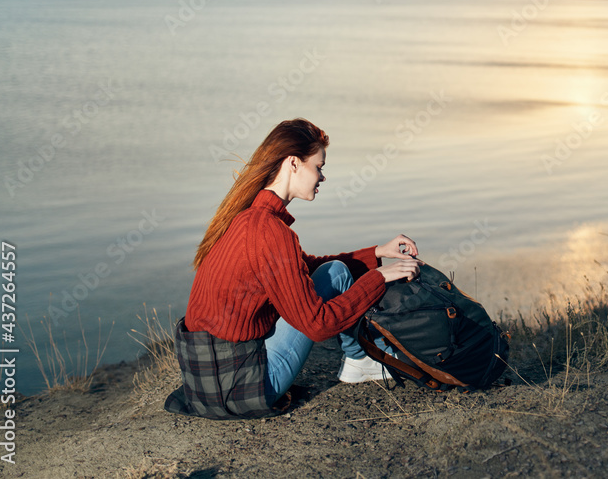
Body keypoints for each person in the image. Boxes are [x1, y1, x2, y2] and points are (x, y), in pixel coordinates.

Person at [164, 118, 421, 419]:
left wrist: (377, 253)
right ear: (293, 164)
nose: (323, 176)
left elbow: (301, 269)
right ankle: (362, 359)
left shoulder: (246, 217)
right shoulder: (270, 231)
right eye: (319, 166)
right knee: (329, 286)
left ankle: (360, 360)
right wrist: (379, 277)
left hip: (205, 382)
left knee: (335, 272)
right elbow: (317, 324)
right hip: (244, 386)